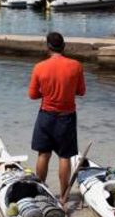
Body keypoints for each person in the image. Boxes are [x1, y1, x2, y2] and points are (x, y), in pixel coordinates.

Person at [28, 32, 86, 202]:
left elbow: (32, 95)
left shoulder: (39, 67)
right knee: (64, 156)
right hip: (66, 117)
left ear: (48, 47)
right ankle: (64, 196)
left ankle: (40, 192)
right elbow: (81, 91)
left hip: (46, 116)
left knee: (43, 154)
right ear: (63, 46)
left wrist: (46, 92)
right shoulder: (76, 65)